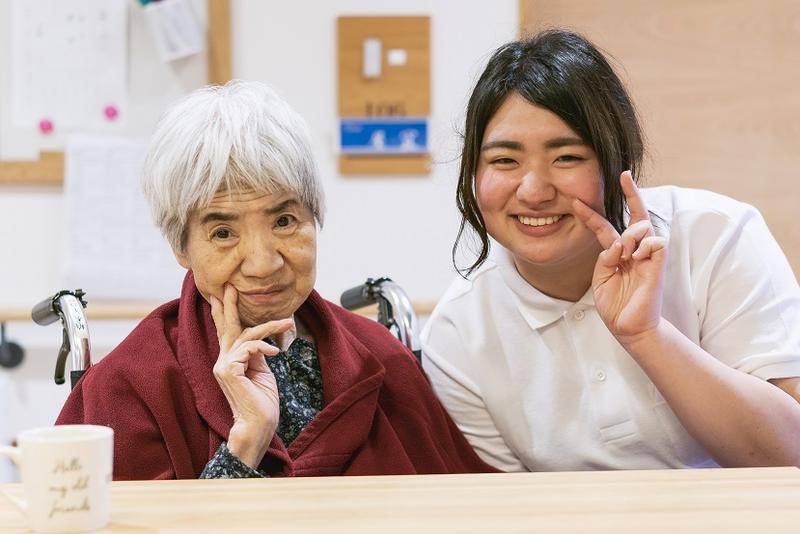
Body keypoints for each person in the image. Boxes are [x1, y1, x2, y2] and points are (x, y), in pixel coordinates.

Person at [57, 80, 492, 480]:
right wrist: (246, 441)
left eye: (284, 221)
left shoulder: (382, 359)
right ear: (181, 248)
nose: (263, 264)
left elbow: (460, 505)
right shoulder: (131, 384)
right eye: (223, 233)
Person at [421, 29, 800, 471]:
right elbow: (505, 503)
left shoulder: (716, 235)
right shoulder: (457, 332)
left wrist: (648, 337)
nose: (534, 191)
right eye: (505, 160)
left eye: (567, 157)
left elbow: (790, 456)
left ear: (617, 158)